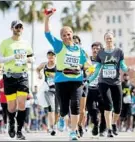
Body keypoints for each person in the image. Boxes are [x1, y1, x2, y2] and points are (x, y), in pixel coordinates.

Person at [44, 10, 92, 140]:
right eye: (64, 35)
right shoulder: (58, 46)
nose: (67, 37)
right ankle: (62, 116)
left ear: (72, 34)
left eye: (69, 34)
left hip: (77, 81)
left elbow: (86, 63)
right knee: (64, 108)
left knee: (75, 105)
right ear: (61, 37)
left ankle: (73, 131)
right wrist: (47, 18)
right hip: (61, 81)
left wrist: (91, 69)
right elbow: (47, 34)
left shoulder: (79, 49)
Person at [88, 31, 131, 137]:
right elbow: (97, 69)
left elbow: (122, 65)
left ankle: (113, 123)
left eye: (110, 38)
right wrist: (88, 80)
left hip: (116, 82)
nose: (109, 40)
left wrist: (127, 69)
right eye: (107, 38)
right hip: (103, 82)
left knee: (118, 108)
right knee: (108, 106)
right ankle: (109, 129)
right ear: (104, 40)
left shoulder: (119, 52)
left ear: (114, 39)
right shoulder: (101, 53)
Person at [0, 20, 34, 140]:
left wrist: (27, 60)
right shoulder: (5, 43)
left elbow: (32, 58)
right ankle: (11, 123)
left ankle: (19, 131)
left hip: (23, 76)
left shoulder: (26, 43)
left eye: (21, 27)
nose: (19, 29)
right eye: (17, 27)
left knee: (22, 104)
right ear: (12, 28)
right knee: (11, 107)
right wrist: (13, 57)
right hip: (9, 77)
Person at [36, 50, 60, 136]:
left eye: (52, 56)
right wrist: (39, 74)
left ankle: (55, 125)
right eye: (49, 56)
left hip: (58, 89)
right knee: (51, 108)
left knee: (57, 110)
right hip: (48, 89)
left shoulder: (58, 66)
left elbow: (64, 75)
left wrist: (55, 76)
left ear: (55, 57)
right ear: (47, 57)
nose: (51, 57)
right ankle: (52, 127)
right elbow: (37, 69)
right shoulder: (44, 65)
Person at [86, 42, 107, 137]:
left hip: (102, 89)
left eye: (97, 48)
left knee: (104, 110)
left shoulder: (105, 61)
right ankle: (95, 124)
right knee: (91, 109)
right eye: (93, 48)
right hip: (90, 89)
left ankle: (102, 129)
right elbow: (85, 72)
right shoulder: (88, 61)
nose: (95, 50)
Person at [72, 35, 89, 137]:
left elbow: (89, 66)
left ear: (79, 44)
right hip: (73, 84)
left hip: (83, 82)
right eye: (73, 42)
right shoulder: (67, 54)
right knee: (75, 108)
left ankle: (79, 125)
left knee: (82, 110)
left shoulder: (83, 53)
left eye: (77, 42)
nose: (75, 44)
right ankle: (74, 129)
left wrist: (85, 67)